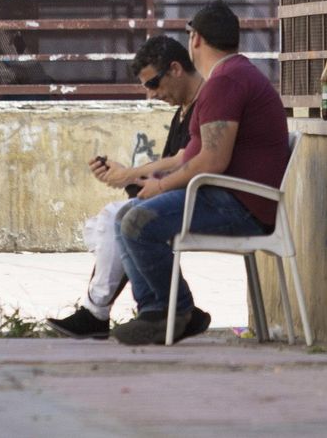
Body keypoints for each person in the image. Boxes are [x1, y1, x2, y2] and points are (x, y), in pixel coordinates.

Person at [108, 1, 292, 345]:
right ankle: (158, 313)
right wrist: (139, 175)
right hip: (232, 198)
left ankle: (172, 311)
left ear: (195, 39)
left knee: (138, 222)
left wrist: (161, 187)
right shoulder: (227, 78)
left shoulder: (227, 81)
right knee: (124, 218)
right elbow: (188, 156)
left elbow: (211, 161)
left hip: (242, 206)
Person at [46, 36, 210, 340]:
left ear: (175, 69)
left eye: (154, 84)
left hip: (208, 201)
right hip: (183, 195)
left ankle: (163, 308)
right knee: (117, 216)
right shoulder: (182, 111)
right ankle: (108, 311)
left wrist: (132, 175)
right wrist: (129, 178)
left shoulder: (207, 104)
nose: (152, 95)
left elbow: (189, 163)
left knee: (121, 219)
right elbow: (171, 171)